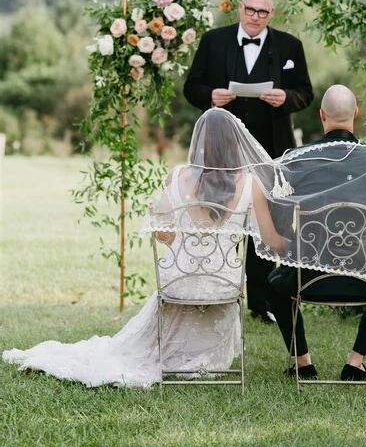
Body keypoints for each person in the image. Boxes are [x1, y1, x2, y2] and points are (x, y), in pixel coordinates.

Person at [2, 109, 288, 388]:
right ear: (235, 141)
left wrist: (185, 250)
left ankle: (168, 351)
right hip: (224, 285)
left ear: (198, 141)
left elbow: (160, 230)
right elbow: (271, 241)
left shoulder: (177, 176)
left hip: (178, 281)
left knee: (168, 287)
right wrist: (293, 240)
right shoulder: (251, 184)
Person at [183, 0, 313, 324]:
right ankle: (213, 291)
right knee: (218, 217)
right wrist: (211, 95)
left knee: (267, 221)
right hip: (220, 152)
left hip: (271, 150)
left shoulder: (289, 45)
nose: (255, 17)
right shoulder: (214, 41)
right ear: (239, 8)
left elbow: (306, 92)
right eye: (249, 9)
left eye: (262, 12)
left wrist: (286, 98)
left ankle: (263, 301)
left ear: (272, 13)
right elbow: (190, 86)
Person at [264, 84, 366, 381]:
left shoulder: (297, 158)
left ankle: (303, 364)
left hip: (306, 277)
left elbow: (279, 216)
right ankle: (355, 363)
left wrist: (291, 249)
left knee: (274, 284)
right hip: (363, 277)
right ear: (355, 114)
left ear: (322, 115)